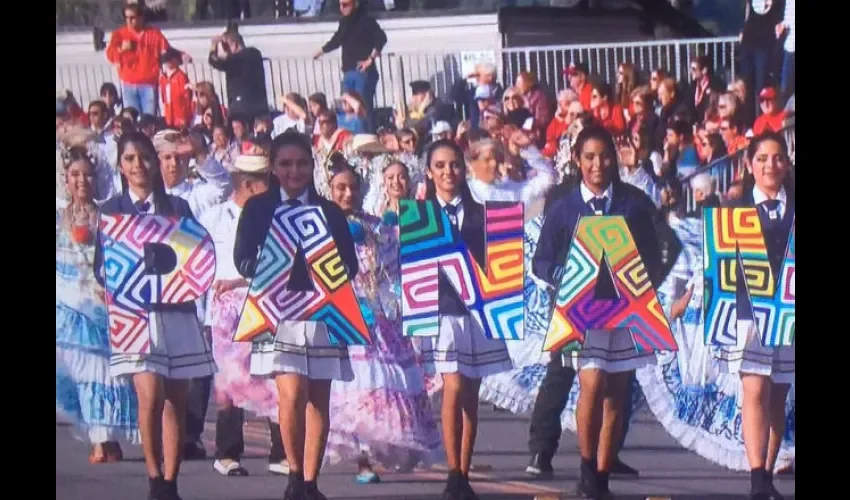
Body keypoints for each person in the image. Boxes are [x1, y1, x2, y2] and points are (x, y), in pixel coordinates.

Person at [533, 126, 666, 499]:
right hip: (579, 312)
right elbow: (541, 260)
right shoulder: (563, 207)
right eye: (589, 157)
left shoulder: (634, 203)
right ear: (577, 160)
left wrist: (645, 283)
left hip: (625, 311)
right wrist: (562, 277)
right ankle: (587, 468)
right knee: (591, 383)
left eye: (604, 156)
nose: (597, 164)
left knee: (616, 392)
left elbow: (657, 253)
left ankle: (603, 475)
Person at [233, 131, 358, 500]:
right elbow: (242, 257)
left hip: (322, 313)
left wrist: (324, 272)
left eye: (302, 163)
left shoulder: (329, 211)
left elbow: (348, 264)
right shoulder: (258, 208)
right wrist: (270, 267)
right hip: (277, 312)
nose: (294, 171)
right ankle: (292, 473)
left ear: (312, 166)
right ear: (273, 167)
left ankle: (310, 480)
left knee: (319, 394)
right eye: (286, 163)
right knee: (291, 392)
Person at [95, 131, 217, 500]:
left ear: (156, 161)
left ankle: (171, 479)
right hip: (134, 316)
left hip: (177, 313)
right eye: (130, 159)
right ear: (120, 165)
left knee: (175, 398)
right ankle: (153, 477)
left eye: (145, 158)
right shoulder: (111, 210)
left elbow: (196, 257)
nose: (138, 166)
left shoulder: (177, 208)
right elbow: (103, 267)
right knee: (148, 393)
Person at [324, 162, 441, 483]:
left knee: (391, 384)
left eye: (352, 187)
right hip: (345, 320)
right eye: (340, 188)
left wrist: (386, 236)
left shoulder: (374, 223)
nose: (348, 194)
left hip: (381, 318)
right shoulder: (322, 225)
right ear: (329, 191)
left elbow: (396, 264)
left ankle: (387, 448)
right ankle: (362, 459)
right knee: (356, 387)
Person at [415, 139, 514, 500]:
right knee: (453, 387)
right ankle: (452, 470)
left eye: (454, 165)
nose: (447, 172)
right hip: (442, 315)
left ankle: (463, 472)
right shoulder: (420, 217)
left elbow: (499, 268)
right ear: (429, 171)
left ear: (464, 168)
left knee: (471, 393)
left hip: (476, 315)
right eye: (440, 165)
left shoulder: (483, 214)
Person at [713, 132, 795, 500]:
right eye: (762, 159)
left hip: (790, 312)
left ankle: (768, 470)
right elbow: (716, 266)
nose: (770, 166)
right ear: (749, 165)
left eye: (777, 158)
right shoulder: (734, 211)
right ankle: (757, 475)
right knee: (755, 387)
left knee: (778, 392)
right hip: (748, 313)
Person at [198, 154, 288, 477]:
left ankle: (281, 452)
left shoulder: (272, 216)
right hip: (226, 308)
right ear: (249, 184)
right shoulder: (213, 218)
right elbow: (198, 263)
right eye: (266, 182)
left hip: (265, 302)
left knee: (272, 376)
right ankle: (228, 452)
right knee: (230, 379)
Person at [56, 146, 139, 464]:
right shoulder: (59, 216)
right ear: (66, 179)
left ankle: (106, 437)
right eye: (75, 175)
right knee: (81, 376)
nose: (81, 181)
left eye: (87, 175)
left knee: (106, 376)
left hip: (102, 309)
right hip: (67, 312)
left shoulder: (109, 217)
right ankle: (99, 438)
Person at [106, 3, 189, 116]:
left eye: (132, 18)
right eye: (126, 18)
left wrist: (181, 55)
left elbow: (166, 50)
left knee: (149, 119)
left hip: (149, 84)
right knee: (131, 118)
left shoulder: (154, 34)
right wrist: (121, 49)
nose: (129, 21)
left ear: (141, 17)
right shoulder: (119, 34)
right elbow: (110, 55)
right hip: (128, 84)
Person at [315, 0, 387, 112]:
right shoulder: (344, 22)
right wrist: (321, 51)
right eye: (339, 4)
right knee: (347, 107)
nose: (341, 8)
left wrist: (370, 59)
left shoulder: (366, 20)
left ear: (355, 4)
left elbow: (381, 38)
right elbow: (337, 40)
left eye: (345, 5)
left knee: (361, 108)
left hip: (363, 72)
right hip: (348, 71)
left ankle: (364, 129)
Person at [208, 25, 269, 120]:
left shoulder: (237, 59)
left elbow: (214, 61)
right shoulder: (255, 53)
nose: (226, 51)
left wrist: (214, 45)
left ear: (235, 45)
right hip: (260, 106)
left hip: (241, 109)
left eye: (226, 47)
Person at [159, 48, 193, 129]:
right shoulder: (163, 77)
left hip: (180, 113)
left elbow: (187, 98)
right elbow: (164, 96)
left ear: (175, 60)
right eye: (166, 61)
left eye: (169, 60)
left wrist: (184, 116)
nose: (167, 63)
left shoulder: (181, 77)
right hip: (168, 112)